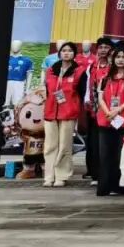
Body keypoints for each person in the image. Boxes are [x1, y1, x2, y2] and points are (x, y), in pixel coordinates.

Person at [96, 48, 124, 197]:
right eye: (118, 57)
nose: (120, 59)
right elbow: (100, 98)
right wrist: (108, 112)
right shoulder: (105, 77)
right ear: (113, 59)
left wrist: (118, 109)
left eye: (123, 57)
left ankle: (119, 186)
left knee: (121, 154)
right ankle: (104, 187)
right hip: (106, 119)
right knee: (105, 154)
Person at [42, 42, 86, 188]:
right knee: (50, 146)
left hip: (68, 113)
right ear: (59, 53)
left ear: (74, 54)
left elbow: (82, 94)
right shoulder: (51, 71)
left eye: (70, 50)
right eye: (64, 50)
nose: (66, 53)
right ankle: (49, 176)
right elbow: (48, 91)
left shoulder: (79, 71)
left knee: (64, 146)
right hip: (50, 112)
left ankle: (61, 175)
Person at [84, 37, 113, 183]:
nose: (103, 50)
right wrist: (87, 102)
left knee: (109, 144)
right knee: (95, 144)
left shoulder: (114, 67)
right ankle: (96, 174)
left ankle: (109, 175)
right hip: (95, 110)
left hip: (112, 111)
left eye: (106, 47)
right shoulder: (92, 67)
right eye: (101, 47)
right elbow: (88, 87)